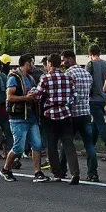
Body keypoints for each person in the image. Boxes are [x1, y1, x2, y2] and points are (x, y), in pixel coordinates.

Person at [28, 53, 80, 184]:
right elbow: (75, 96)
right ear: (60, 64)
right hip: (65, 113)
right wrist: (67, 103)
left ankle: (56, 174)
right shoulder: (68, 77)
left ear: (50, 64)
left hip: (50, 115)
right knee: (68, 144)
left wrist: (31, 92)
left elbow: (38, 95)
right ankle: (75, 173)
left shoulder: (45, 78)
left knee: (51, 145)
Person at [0, 54, 49, 183]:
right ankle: (6, 169)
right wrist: (26, 98)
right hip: (18, 117)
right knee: (18, 147)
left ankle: (37, 172)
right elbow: (9, 97)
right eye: (32, 63)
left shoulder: (31, 78)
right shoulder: (14, 78)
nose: (33, 66)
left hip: (31, 116)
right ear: (26, 63)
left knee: (37, 145)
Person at [52, 50, 98, 182]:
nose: (62, 62)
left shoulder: (69, 74)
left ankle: (62, 170)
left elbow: (67, 94)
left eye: (63, 60)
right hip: (85, 113)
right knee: (89, 144)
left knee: (66, 143)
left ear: (70, 59)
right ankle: (93, 173)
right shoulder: (86, 73)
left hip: (72, 114)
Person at [85, 45, 106, 161]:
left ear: (90, 53)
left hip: (94, 99)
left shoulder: (90, 64)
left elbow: (87, 80)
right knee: (96, 123)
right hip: (105, 98)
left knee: (100, 124)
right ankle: (89, 146)